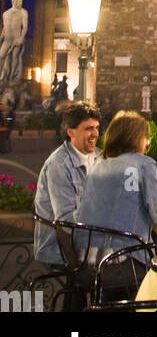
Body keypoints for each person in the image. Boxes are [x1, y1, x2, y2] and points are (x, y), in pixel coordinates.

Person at [77, 110, 157, 295]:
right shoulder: (143, 164)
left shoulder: (97, 165)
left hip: (88, 263)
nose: (147, 142)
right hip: (124, 262)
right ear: (136, 139)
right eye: (145, 137)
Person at [33, 102, 101, 266]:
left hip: (89, 243)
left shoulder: (98, 156)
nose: (95, 134)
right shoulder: (59, 165)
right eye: (88, 129)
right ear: (71, 132)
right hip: (61, 249)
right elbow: (66, 222)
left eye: (96, 128)